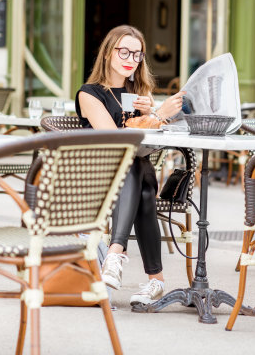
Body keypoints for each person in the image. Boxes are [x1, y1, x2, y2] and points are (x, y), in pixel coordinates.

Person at [75, 25, 184, 305]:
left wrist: (153, 114)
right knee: (136, 169)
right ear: (109, 53)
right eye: (124, 51)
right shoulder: (89, 94)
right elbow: (115, 139)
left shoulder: (138, 95)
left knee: (137, 168)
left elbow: (146, 143)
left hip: (132, 175)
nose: (130, 58)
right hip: (98, 175)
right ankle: (147, 275)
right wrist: (158, 115)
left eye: (137, 54)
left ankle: (116, 256)